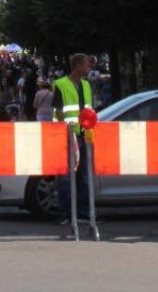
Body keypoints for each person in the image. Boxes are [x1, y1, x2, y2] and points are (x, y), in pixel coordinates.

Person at [53, 53, 94, 225]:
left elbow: (89, 110)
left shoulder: (86, 85)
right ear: (77, 66)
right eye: (86, 65)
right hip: (67, 136)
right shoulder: (61, 84)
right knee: (66, 177)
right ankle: (66, 213)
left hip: (84, 135)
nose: (89, 68)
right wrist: (65, 130)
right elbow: (58, 111)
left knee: (84, 176)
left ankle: (83, 213)